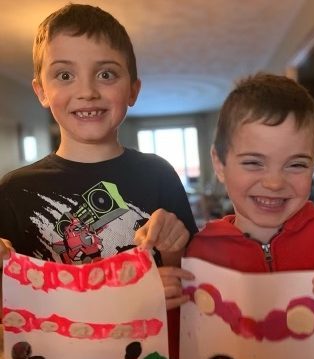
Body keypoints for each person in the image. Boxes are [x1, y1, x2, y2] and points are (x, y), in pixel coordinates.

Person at [0, 4, 196, 358]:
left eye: (106, 74)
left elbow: (191, 289)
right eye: (64, 76)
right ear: (41, 91)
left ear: (133, 90)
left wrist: (173, 250)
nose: (87, 91)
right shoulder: (13, 190)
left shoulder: (158, 174)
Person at [185, 73, 314, 358]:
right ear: (219, 163)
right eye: (254, 162)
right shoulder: (199, 250)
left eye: (296, 165)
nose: (275, 183)